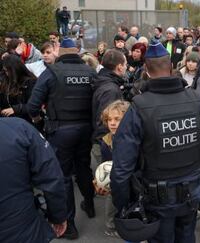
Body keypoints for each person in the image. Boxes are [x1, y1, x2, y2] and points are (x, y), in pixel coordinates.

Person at [110, 40, 200, 243]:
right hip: (190, 192)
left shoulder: (138, 108)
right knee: (187, 237)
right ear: (170, 68)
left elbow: (122, 168)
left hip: (158, 197)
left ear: (147, 71)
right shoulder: (195, 100)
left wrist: (124, 204)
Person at [27, 38, 97, 239]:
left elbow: (33, 107)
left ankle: (70, 226)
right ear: (76, 52)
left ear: (60, 51)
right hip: (86, 129)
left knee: (64, 177)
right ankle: (90, 205)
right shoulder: (90, 72)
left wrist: (40, 120)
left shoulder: (51, 73)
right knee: (83, 167)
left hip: (61, 131)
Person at [0, 117, 67, 243]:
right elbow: (51, 177)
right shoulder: (19, 128)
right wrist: (58, 216)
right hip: (23, 230)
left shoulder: (19, 128)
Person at [93, 100, 130, 238]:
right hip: (114, 178)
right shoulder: (106, 142)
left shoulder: (132, 138)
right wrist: (100, 180)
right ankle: (110, 226)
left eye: (117, 119)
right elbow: (105, 165)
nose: (112, 123)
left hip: (128, 177)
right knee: (111, 199)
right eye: (109, 120)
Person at [91, 49, 128, 166]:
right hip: (105, 145)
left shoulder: (105, 82)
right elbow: (105, 121)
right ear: (120, 67)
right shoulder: (110, 90)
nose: (127, 67)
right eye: (125, 64)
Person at [0, 54, 37, 123]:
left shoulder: (30, 82)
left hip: (26, 121)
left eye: (8, 71)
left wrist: (15, 109)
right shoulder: (6, 80)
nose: (6, 73)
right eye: (5, 71)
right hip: (8, 120)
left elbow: (34, 104)